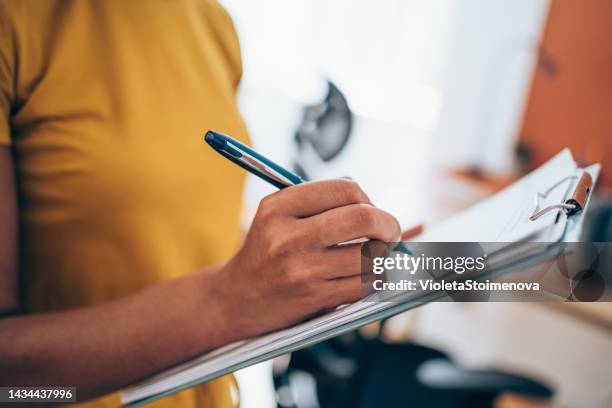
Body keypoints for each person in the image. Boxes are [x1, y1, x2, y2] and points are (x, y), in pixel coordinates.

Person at [0, 1, 407, 406]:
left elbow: (188, 232)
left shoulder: (212, 21)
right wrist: (227, 299)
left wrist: (318, 253)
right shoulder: (16, 20)